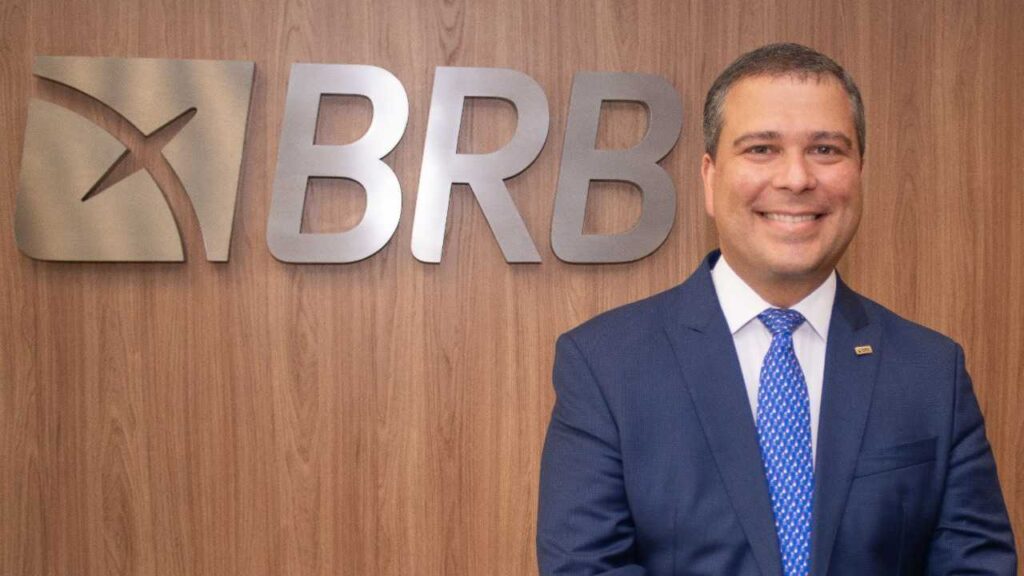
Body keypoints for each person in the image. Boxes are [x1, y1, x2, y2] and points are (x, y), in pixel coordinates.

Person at [537, 43, 1017, 576]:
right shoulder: (606, 364)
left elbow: (976, 565)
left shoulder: (931, 371)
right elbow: (586, 565)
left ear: (859, 171)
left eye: (826, 150)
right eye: (762, 149)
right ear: (710, 177)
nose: (795, 178)